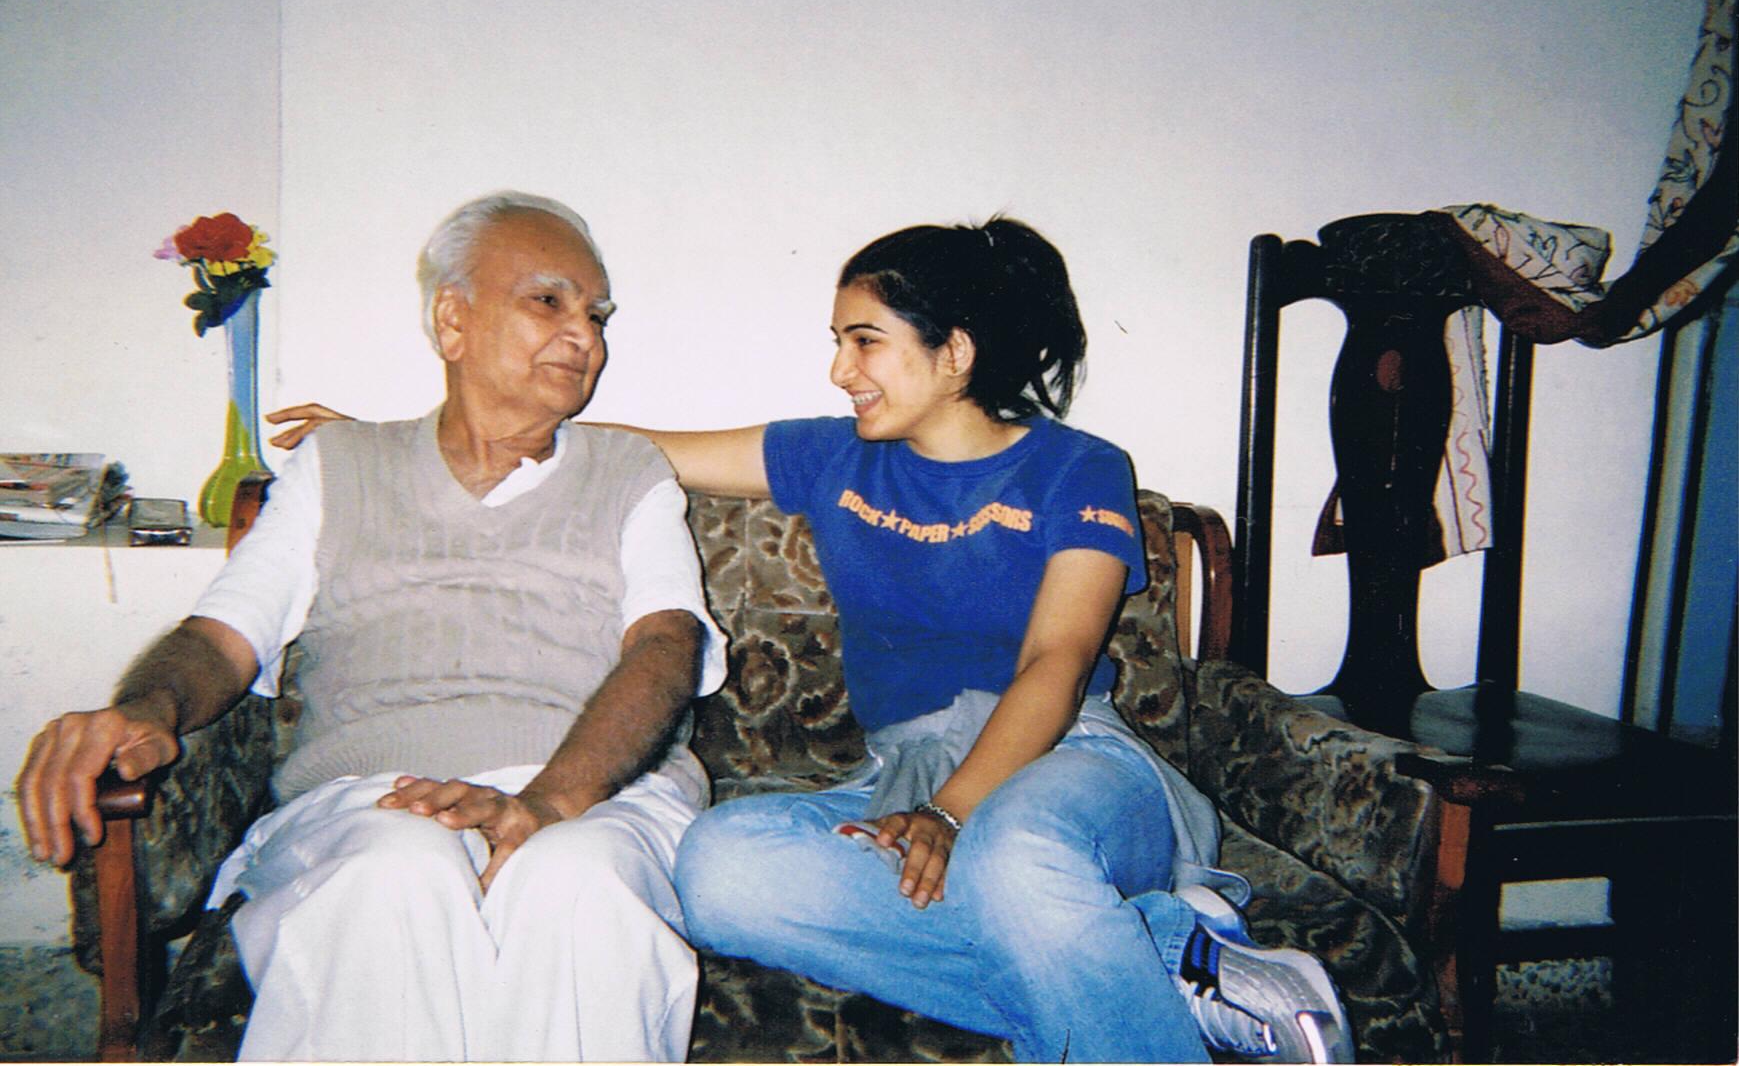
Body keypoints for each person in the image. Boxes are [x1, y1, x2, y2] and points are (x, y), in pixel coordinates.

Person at [266, 217, 1356, 1062]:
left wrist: (951, 813)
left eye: (864, 341)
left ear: (954, 352)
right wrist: (409, 435)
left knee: (1016, 859)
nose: (841, 370)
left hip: (1068, 759)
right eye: (838, 343)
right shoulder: (834, 457)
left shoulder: (1076, 467)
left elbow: (1056, 664)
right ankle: (1167, 963)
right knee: (716, 870)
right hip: (900, 772)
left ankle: (1119, 971)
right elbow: (626, 448)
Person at [14, 191, 727, 1062]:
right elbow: (223, 633)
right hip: (371, 796)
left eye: (597, 314)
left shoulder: (627, 471)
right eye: (549, 300)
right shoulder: (339, 464)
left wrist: (547, 801)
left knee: (576, 882)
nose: (586, 335)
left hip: (595, 800)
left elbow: (666, 644)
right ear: (452, 320)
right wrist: (147, 708)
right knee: (397, 867)